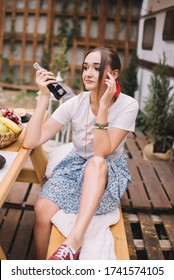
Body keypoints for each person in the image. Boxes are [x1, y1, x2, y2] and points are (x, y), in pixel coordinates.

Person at [23, 47, 139, 260]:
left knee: (96, 162)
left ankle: (73, 242)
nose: (87, 73)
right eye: (86, 67)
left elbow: (102, 152)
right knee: (41, 208)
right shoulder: (76, 102)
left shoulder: (128, 105)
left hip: (105, 173)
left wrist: (103, 108)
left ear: (113, 75)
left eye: (96, 68)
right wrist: (42, 96)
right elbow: (31, 141)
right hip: (75, 167)